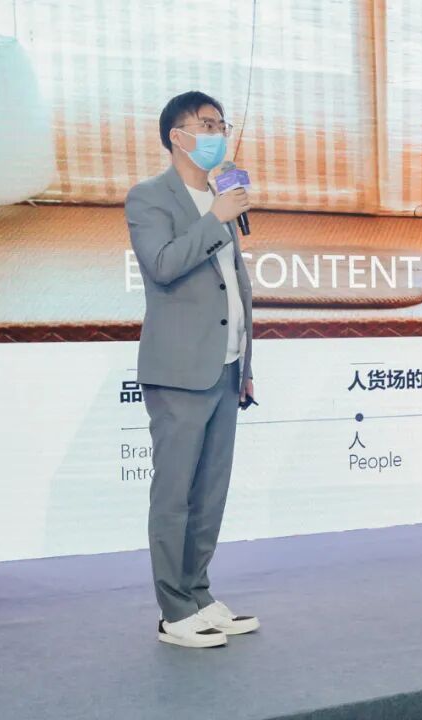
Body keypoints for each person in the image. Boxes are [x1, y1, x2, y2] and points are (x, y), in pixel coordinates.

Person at [125, 91, 258, 649]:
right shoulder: (150, 198)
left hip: (224, 368)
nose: (217, 134)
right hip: (179, 371)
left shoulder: (220, 195)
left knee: (209, 494)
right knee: (175, 494)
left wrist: (245, 363)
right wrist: (214, 220)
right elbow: (162, 265)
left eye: (221, 124)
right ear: (176, 137)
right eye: (206, 125)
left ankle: (199, 594)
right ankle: (173, 610)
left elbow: (234, 288)